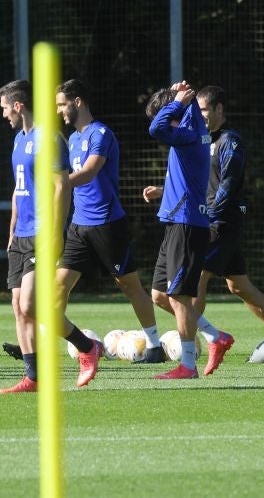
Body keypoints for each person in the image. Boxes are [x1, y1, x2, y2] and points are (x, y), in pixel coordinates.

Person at [53, 79, 162, 388]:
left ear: (77, 102)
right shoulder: (71, 139)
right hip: (79, 227)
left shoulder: (101, 135)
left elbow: (88, 172)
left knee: (127, 284)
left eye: (62, 104)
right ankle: (49, 344)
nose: (59, 111)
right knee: (58, 288)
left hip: (108, 225)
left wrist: (54, 183)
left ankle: (154, 345)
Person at [0, 80, 71, 393]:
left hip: (42, 231)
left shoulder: (49, 138)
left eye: (4, 109)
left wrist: (55, 231)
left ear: (17, 106)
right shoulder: (18, 139)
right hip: (22, 232)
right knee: (17, 306)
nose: (3, 115)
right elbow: (19, 187)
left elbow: (61, 187)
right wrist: (12, 228)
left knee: (28, 303)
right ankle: (33, 377)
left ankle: (84, 345)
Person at [144, 80, 221, 379]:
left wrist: (176, 102)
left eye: (163, 114)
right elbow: (188, 179)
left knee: (178, 296)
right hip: (178, 221)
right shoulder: (190, 132)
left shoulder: (188, 132)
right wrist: (164, 192)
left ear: (174, 115)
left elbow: (157, 129)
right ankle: (215, 335)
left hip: (187, 225)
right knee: (160, 294)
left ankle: (188, 366)